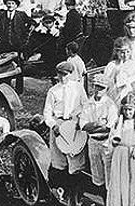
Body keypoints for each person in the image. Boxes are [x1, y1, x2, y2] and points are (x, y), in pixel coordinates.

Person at [43, 62, 88, 204]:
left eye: (65, 74)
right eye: (60, 74)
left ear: (70, 74)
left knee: (75, 161)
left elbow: (85, 104)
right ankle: (61, 191)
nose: (62, 77)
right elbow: (47, 113)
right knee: (59, 161)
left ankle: (76, 194)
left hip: (74, 125)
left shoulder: (77, 87)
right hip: (59, 126)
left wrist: (79, 119)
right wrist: (53, 125)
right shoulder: (53, 91)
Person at [80, 74, 118, 201]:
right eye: (97, 87)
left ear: (106, 89)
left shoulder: (110, 104)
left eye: (102, 88)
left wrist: (94, 126)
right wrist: (96, 124)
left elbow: (108, 127)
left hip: (106, 142)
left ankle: (109, 200)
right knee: (96, 172)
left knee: (109, 172)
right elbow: (83, 125)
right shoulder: (88, 104)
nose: (99, 90)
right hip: (93, 142)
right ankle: (99, 197)